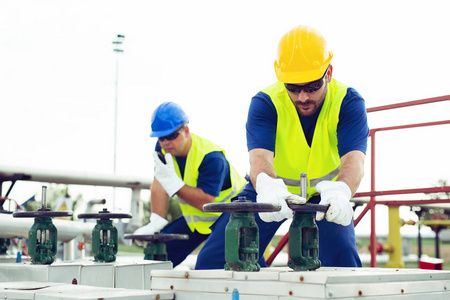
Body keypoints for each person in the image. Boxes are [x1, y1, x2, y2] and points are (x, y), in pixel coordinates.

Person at [195, 25, 369, 269]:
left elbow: (355, 161)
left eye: (311, 87)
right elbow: (259, 160)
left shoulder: (348, 101)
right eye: (293, 87)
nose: (302, 97)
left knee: (343, 260)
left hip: (327, 196)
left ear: (328, 73)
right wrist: (267, 187)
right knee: (214, 260)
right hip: (271, 190)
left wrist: (341, 192)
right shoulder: (265, 103)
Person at [133, 101, 247, 268]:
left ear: (186, 131)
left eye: (171, 136)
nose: (165, 142)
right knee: (159, 255)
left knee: (208, 263)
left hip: (231, 219)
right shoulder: (162, 149)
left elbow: (205, 202)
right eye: (161, 137)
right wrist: (156, 221)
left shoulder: (211, 157)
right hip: (197, 221)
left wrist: (176, 186)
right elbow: (160, 181)